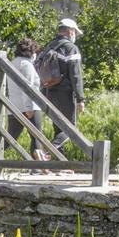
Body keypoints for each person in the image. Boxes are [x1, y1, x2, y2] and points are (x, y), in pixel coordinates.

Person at [40, 18, 85, 151]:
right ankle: (47, 151)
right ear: (70, 31)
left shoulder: (50, 46)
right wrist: (80, 99)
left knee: (58, 127)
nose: (75, 35)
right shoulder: (71, 48)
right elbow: (76, 75)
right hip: (64, 92)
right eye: (75, 33)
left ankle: (60, 164)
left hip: (48, 91)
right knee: (70, 128)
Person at [4, 38, 50, 162]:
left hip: (14, 106)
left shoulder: (12, 63)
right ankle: (37, 167)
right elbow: (28, 87)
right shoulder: (27, 65)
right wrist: (29, 108)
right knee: (36, 138)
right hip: (30, 106)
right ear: (31, 51)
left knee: (9, 138)